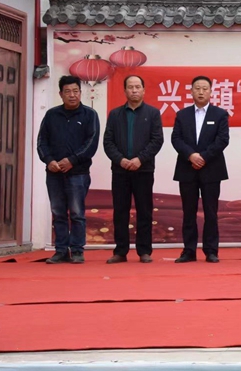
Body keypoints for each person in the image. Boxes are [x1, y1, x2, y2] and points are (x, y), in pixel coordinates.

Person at [36, 75, 100, 264]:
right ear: (61, 94)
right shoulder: (51, 115)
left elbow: (92, 144)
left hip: (78, 173)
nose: (72, 95)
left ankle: (77, 250)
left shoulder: (89, 115)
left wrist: (72, 160)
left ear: (80, 92)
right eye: (68, 92)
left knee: (77, 213)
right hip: (54, 173)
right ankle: (61, 250)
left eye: (75, 91)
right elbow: (41, 142)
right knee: (58, 213)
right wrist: (49, 160)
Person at [102, 75, 164, 263]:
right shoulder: (115, 114)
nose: (134, 90)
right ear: (125, 91)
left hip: (143, 170)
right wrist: (121, 160)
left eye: (138, 87)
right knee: (120, 211)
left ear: (144, 90)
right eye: (130, 87)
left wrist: (140, 159)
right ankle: (120, 251)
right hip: (120, 171)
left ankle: (144, 251)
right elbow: (108, 142)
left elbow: (157, 141)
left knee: (145, 211)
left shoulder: (153, 113)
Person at [170, 76, 230, 263]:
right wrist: (191, 155)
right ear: (191, 91)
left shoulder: (220, 114)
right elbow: (176, 139)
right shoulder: (182, 114)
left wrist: (203, 156)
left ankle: (211, 250)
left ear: (211, 92)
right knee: (188, 212)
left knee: (211, 212)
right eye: (197, 88)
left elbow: (222, 139)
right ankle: (189, 250)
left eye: (205, 88)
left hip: (211, 168)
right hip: (187, 168)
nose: (201, 92)